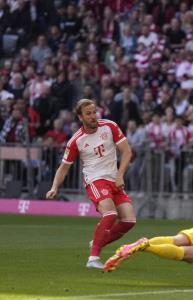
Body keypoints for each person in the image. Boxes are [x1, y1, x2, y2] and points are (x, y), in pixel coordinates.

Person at [46, 99, 136, 269]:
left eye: (94, 112)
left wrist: (120, 175)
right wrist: (54, 187)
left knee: (129, 220)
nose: (93, 116)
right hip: (95, 180)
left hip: (114, 179)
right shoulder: (76, 141)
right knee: (110, 214)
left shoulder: (110, 126)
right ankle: (93, 259)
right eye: (88, 113)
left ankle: (97, 241)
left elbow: (127, 151)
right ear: (80, 117)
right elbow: (63, 168)